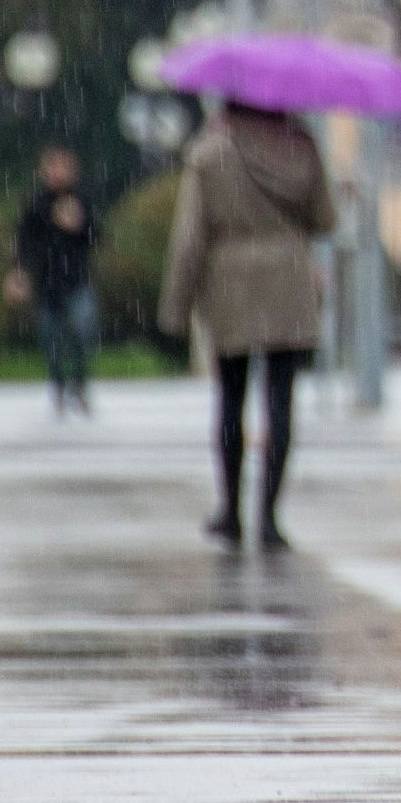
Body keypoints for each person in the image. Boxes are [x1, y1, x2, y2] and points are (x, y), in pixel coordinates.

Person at [162, 102, 334, 550]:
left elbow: (190, 237)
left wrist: (176, 308)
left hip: (230, 280)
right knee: (280, 401)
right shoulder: (302, 147)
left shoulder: (210, 153)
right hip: (287, 277)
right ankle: (270, 518)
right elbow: (325, 220)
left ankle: (230, 511)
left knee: (231, 398)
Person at [10, 144, 102, 416]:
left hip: (77, 280)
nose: (58, 173)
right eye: (53, 167)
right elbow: (24, 242)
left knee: (82, 332)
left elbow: (98, 235)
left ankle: (79, 382)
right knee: (50, 340)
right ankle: (59, 384)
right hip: (47, 283)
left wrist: (80, 224)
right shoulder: (37, 203)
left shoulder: (83, 199)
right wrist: (19, 273)